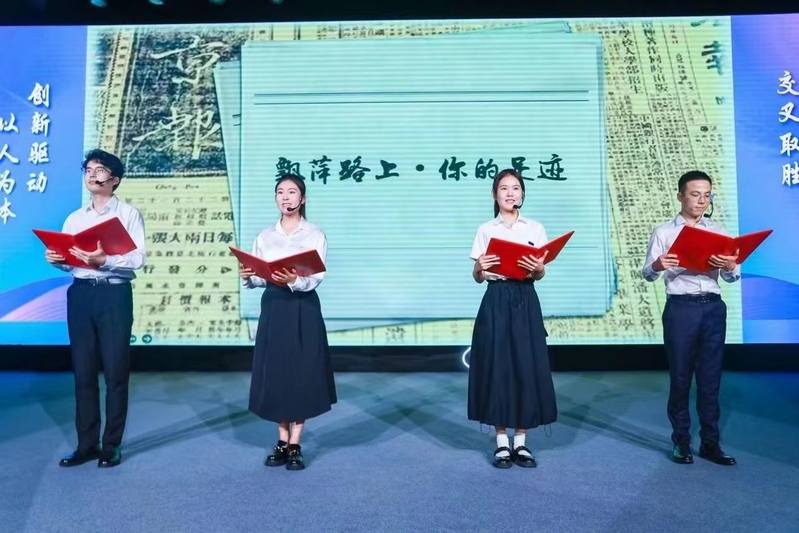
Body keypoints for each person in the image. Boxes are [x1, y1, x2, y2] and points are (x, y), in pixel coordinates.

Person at [46, 149, 146, 468]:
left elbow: (138, 259)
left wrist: (106, 260)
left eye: (99, 169)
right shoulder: (75, 218)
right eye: (88, 169)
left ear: (114, 179)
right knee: (83, 372)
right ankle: (86, 444)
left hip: (113, 295)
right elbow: (70, 262)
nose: (92, 174)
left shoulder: (128, 214)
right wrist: (58, 260)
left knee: (115, 372)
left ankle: (111, 445)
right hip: (80, 294)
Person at [239, 174, 336, 471]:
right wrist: (249, 275)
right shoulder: (264, 235)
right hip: (274, 305)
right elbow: (260, 276)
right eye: (280, 192)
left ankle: (296, 442)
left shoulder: (315, 234)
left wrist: (295, 279)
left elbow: (316, 276)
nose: (285, 197)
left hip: (303, 306)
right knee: (276, 371)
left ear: (302, 199)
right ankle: (282, 439)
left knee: (302, 371)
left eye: (292, 192)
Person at [642, 170, 739, 466]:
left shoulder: (719, 231)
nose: (701, 200)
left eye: (707, 195)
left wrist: (730, 266)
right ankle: (681, 442)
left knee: (710, 380)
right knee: (681, 378)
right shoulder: (664, 232)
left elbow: (732, 277)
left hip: (713, 307)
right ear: (680, 195)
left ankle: (711, 444)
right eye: (695, 194)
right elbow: (647, 273)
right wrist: (658, 265)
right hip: (681, 309)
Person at [468, 168, 558, 469]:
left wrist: (538, 268)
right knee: (498, 366)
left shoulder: (534, 228)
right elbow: (478, 276)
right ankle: (501, 443)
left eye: (516, 188)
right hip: (496, 298)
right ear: (495, 194)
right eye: (504, 188)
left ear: (522, 194)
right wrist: (479, 267)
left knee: (525, 364)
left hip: (525, 298)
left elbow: (540, 273)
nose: (510, 193)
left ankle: (521, 441)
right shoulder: (486, 229)